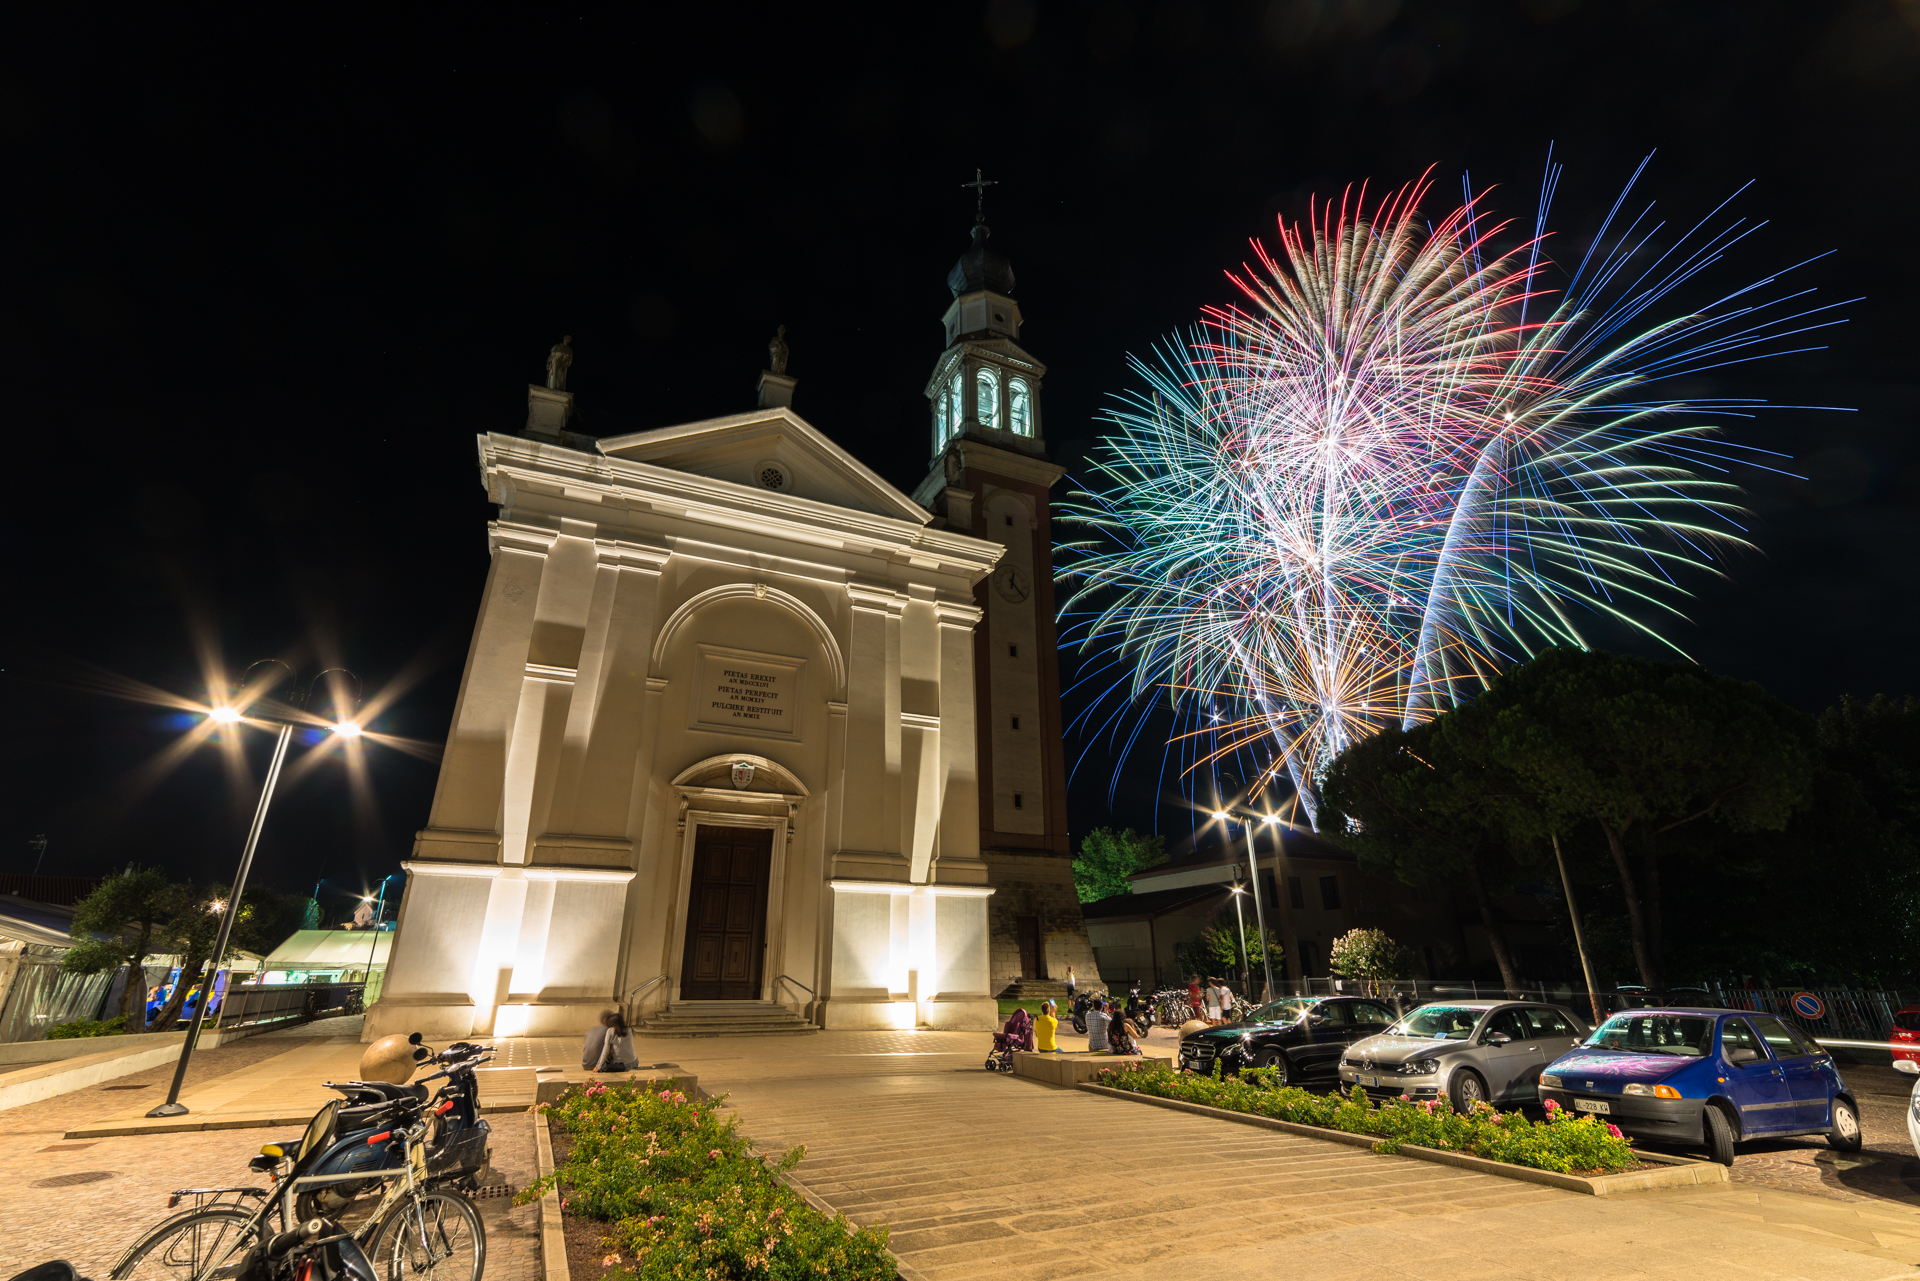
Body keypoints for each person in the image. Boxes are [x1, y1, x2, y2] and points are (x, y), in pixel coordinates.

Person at [582, 1008, 636, 1073]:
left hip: (586, 1064)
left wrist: (598, 1066)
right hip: (632, 1063)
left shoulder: (600, 1030)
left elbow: (604, 1050)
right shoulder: (629, 1030)